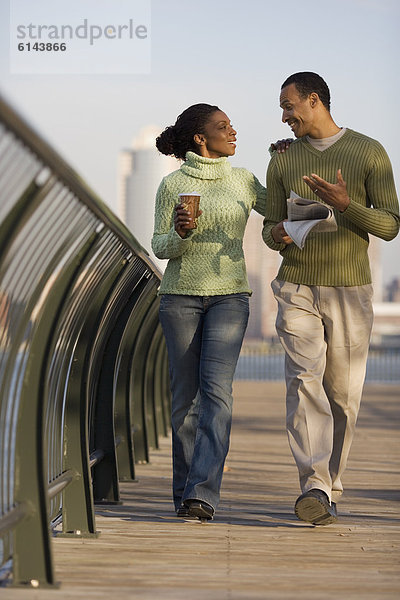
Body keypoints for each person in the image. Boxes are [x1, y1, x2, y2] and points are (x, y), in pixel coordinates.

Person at [263, 72, 399, 525]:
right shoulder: (282, 159)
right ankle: (314, 484)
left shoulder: (368, 152)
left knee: (342, 394)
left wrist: (345, 205)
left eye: (289, 106)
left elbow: (390, 226)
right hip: (296, 283)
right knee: (304, 380)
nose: (283, 116)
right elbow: (269, 229)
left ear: (314, 101)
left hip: (350, 287)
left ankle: (330, 485)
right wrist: (279, 233)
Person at [152, 103, 289, 521]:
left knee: (217, 394)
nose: (233, 132)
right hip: (179, 299)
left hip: (230, 296)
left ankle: (202, 494)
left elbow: (281, 209)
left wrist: (284, 162)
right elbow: (160, 247)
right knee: (184, 402)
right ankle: (185, 492)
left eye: (231, 126)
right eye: (223, 126)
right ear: (200, 137)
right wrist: (178, 232)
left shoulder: (243, 180)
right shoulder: (172, 184)